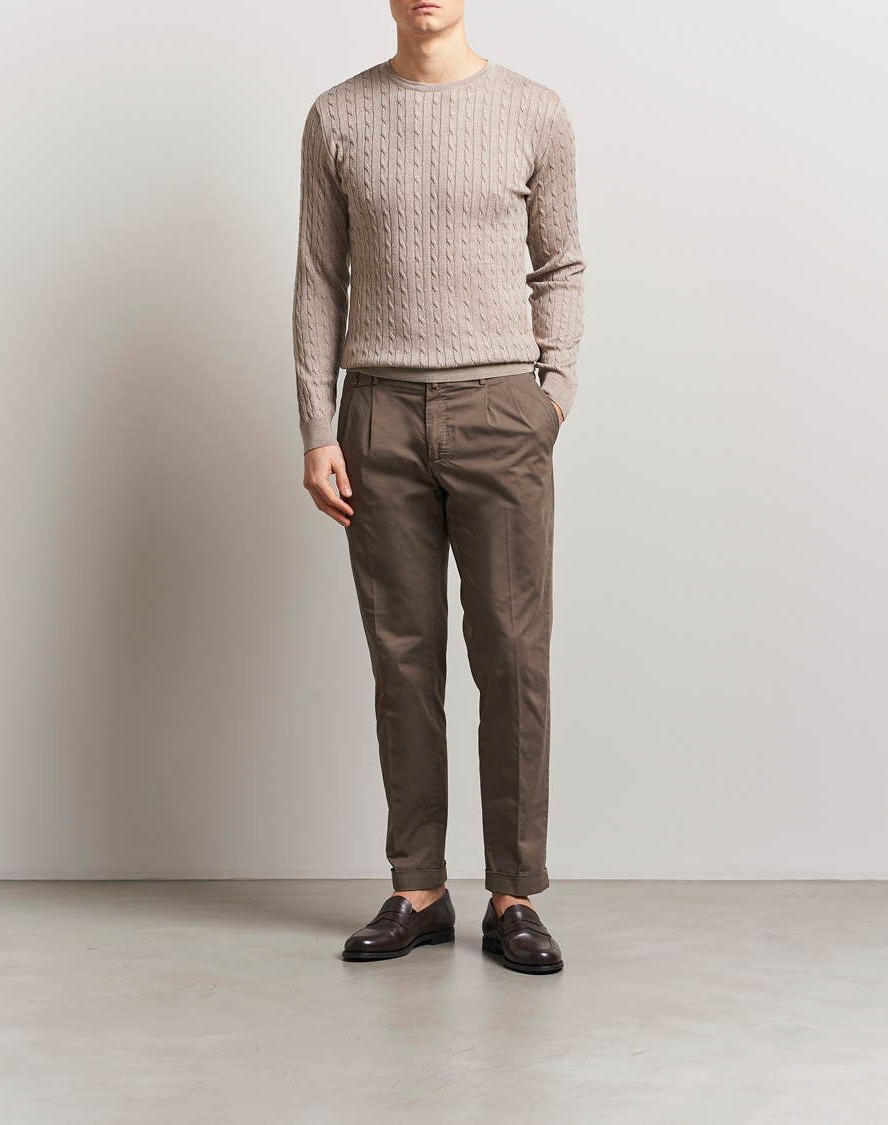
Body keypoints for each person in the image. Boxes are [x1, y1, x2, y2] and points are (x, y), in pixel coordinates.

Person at [292, 0, 584, 975]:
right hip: (377, 414)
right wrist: (317, 427)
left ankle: (514, 895)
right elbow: (319, 279)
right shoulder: (337, 116)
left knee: (513, 655)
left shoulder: (535, 110)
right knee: (402, 659)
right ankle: (418, 886)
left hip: (501, 410)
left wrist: (551, 396)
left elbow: (561, 264)